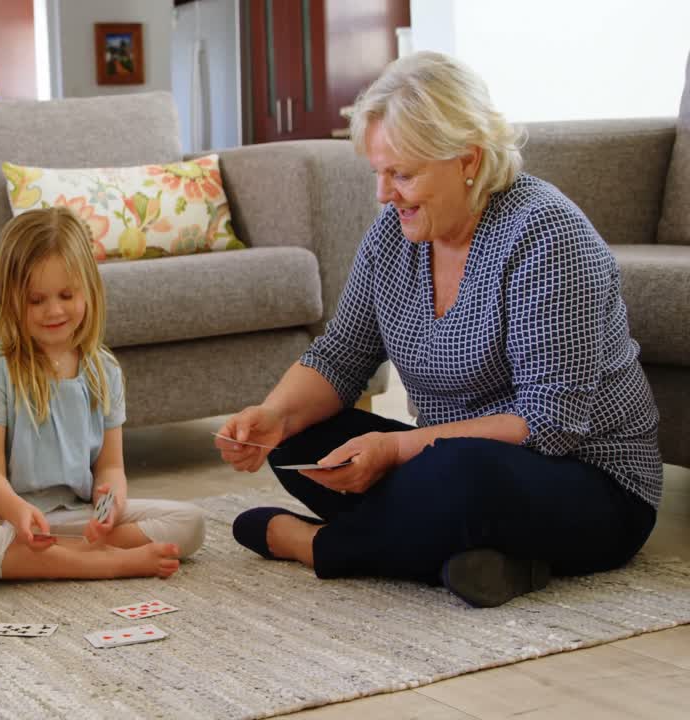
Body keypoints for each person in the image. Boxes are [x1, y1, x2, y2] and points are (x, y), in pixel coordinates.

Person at [219, 51, 661, 608]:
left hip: (589, 482)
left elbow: (550, 426)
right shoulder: (392, 235)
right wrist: (273, 417)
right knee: (300, 440)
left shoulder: (546, 235)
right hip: (447, 469)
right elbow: (339, 355)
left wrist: (399, 448)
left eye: (402, 174)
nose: (384, 194)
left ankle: (320, 545)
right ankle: (488, 559)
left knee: (456, 472)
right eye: (379, 172)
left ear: (467, 160)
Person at [0, 207, 205, 580]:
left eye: (65, 294)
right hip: (2, 516)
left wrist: (110, 504)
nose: (54, 311)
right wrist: (17, 512)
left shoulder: (103, 369)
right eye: (36, 300)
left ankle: (58, 555)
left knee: (189, 523)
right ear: (10, 299)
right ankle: (104, 562)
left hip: (72, 514)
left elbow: (110, 466)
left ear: (88, 290)